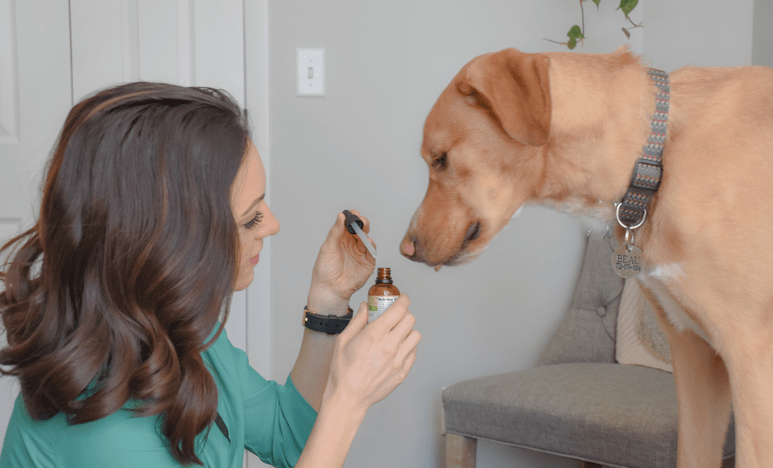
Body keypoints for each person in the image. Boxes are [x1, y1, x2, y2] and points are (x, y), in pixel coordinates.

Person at [0, 82, 421, 467]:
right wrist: (347, 401)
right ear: (176, 244)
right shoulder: (106, 437)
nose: (272, 225)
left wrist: (327, 300)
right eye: (252, 217)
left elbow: (288, 438)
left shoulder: (186, 334)